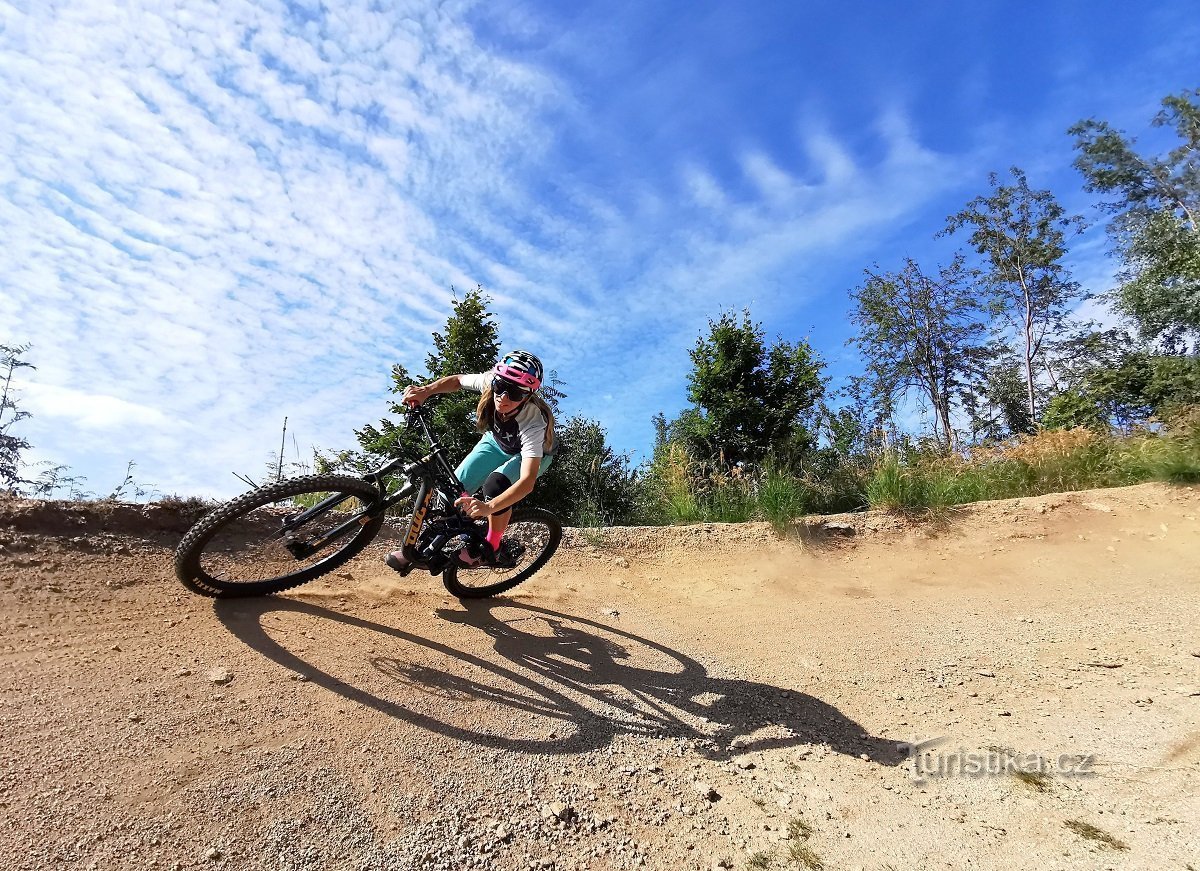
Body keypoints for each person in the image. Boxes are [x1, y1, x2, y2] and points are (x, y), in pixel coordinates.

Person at [386, 349, 557, 571]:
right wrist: (425, 391)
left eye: (514, 393)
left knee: (495, 485)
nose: (503, 397)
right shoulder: (490, 382)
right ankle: (419, 550)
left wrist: (488, 507)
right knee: (450, 493)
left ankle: (491, 547)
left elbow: (527, 481)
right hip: (496, 442)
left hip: (532, 455)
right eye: (500, 387)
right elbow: (457, 381)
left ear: (527, 395)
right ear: (495, 381)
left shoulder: (534, 421)